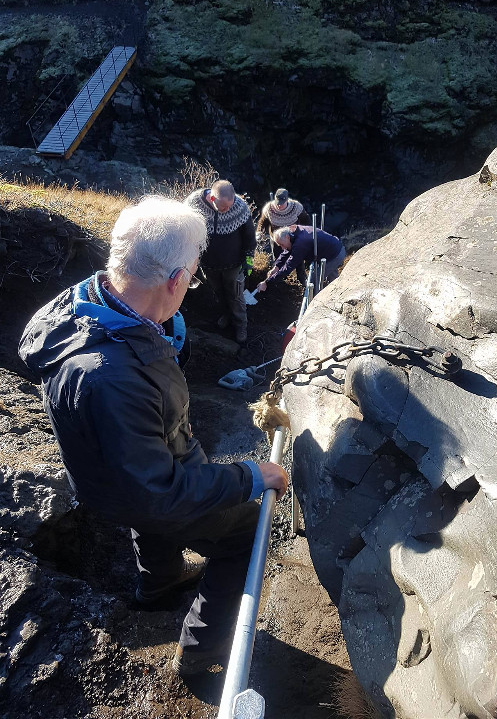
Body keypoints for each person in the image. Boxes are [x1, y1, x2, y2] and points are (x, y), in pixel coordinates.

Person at [18, 195, 288, 677]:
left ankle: (158, 584)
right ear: (176, 280)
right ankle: (201, 651)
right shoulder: (112, 379)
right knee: (246, 533)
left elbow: (138, 471)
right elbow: (158, 492)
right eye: (193, 275)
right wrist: (250, 476)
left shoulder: (86, 306)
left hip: (107, 485)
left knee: (145, 502)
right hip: (143, 491)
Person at [185, 179, 256, 344]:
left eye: (230, 205)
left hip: (234, 264)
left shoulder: (239, 207)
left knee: (236, 294)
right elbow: (186, 231)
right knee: (218, 292)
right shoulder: (193, 204)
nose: (228, 210)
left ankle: (240, 325)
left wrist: (248, 260)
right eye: (224, 207)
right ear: (212, 199)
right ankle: (226, 315)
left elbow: (249, 237)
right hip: (208, 264)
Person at [256, 225, 346, 292]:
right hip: (333, 250)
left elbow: (289, 267)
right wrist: (276, 267)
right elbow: (287, 251)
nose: (282, 248)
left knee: (313, 283)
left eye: (282, 244)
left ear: (287, 237)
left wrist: (267, 282)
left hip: (335, 255)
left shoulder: (301, 243)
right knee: (332, 280)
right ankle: (337, 293)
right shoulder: (294, 232)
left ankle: (315, 306)